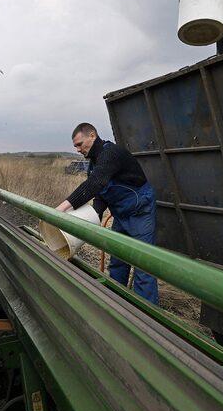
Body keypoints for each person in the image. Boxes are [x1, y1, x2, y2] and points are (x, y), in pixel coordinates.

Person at [56, 123, 159, 305]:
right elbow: (101, 194)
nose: (78, 149)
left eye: (80, 144)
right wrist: (92, 217)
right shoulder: (94, 164)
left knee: (144, 265)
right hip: (121, 215)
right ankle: (116, 303)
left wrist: (62, 208)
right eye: (75, 147)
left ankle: (148, 315)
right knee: (118, 260)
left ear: (92, 136)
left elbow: (96, 183)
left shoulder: (110, 153)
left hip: (139, 211)